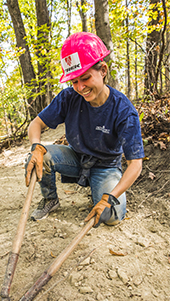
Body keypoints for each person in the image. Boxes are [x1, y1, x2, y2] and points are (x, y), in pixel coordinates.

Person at [25, 32, 144, 226]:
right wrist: (36, 147)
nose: (80, 87)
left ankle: (101, 191)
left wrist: (109, 197)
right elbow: (35, 124)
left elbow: (135, 164)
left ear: (103, 70)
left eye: (85, 78)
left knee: (111, 216)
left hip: (105, 166)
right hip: (76, 157)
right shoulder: (69, 98)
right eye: (74, 81)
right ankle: (50, 199)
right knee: (38, 157)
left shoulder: (123, 110)